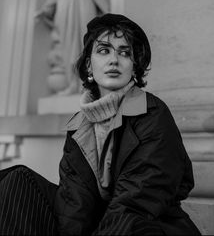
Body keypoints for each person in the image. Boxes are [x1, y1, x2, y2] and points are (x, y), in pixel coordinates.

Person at [0, 13, 201, 235]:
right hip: (103, 224)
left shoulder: (153, 114)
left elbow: (137, 201)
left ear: (134, 67)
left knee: (126, 224)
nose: (114, 60)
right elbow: (75, 206)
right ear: (89, 65)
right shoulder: (79, 126)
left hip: (146, 225)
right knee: (16, 182)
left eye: (124, 53)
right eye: (103, 50)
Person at [36, 0, 110, 95]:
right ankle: (72, 83)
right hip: (65, 10)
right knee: (68, 47)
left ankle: (85, 84)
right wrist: (46, 9)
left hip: (83, 6)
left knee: (84, 42)